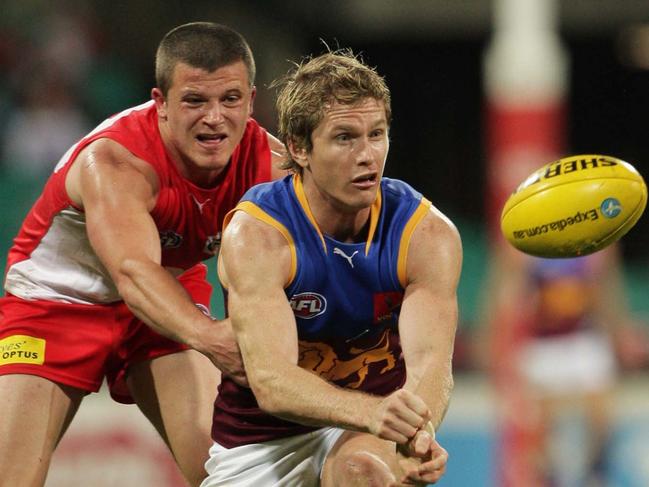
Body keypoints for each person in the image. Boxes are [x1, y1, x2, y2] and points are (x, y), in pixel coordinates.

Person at [0, 22, 286, 487]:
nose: (214, 118)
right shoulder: (115, 163)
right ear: (161, 103)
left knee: (230, 475)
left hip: (165, 293)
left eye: (229, 100)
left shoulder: (271, 166)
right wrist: (212, 338)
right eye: (195, 100)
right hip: (54, 305)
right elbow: (133, 273)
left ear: (251, 101)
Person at [202, 50, 462, 486]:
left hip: (366, 434)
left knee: (361, 472)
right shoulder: (259, 236)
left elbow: (431, 364)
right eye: (345, 138)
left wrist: (418, 432)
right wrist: (376, 412)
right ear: (300, 148)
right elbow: (272, 383)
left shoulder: (425, 234)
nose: (368, 155)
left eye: (377, 134)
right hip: (260, 441)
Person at [483, 244, 648, 486]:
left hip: (584, 336)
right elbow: (507, 297)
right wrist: (497, 346)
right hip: (542, 343)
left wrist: (618, 333)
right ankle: (552, 478)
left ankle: (595, 474)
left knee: (602, 416)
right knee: (542, 434)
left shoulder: (595, 238)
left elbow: (607, 288)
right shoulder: (526, 242)